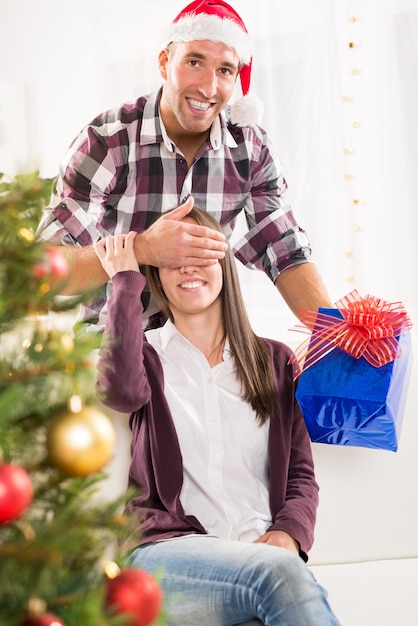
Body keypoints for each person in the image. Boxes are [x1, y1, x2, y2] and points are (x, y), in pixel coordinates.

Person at [94, 207, 340, 626]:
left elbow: (300, 475)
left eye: (202, 256)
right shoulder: (147, 358)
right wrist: (126, 277)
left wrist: (288, 533)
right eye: (174, 260)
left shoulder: (275, 361)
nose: (188, 270)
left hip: (258, 553)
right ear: (157, 276)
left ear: (224, 265)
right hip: (168, 559)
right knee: (281, 575)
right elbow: (119, 391)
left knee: (276, 582)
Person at [36, 0, 333, 332]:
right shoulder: (107, 142)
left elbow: (286, 253)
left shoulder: (250, 149)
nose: (208, 88)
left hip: (199, 355)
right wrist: (142, 248)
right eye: (194, 62)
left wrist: (337, 334)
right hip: (110, 352)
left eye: (224, 70)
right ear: (165, 63)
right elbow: (44, 271)